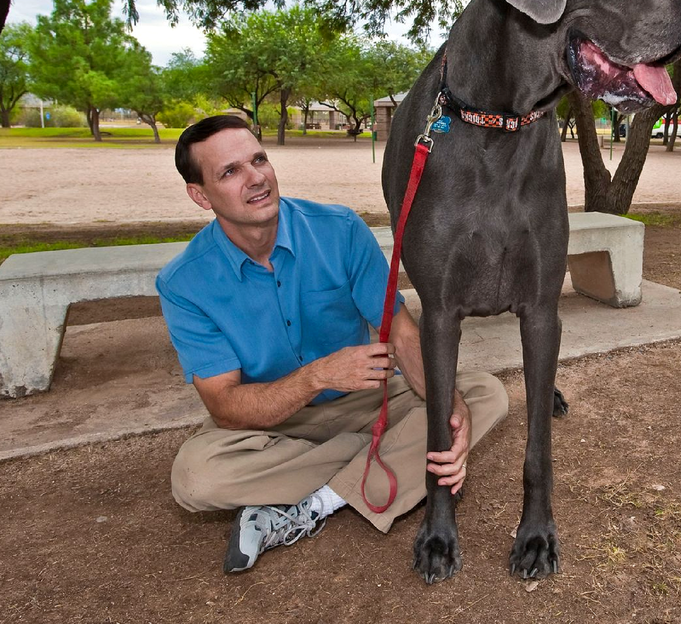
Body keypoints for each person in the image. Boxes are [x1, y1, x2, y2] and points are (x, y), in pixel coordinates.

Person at [156, 115, 509, 573]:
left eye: (258, 159)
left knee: (482, 395)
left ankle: (314, 503)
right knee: (195, 478)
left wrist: (448, 405)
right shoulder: (184, 283)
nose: (256, 177)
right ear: (200, 195)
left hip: (367, 400)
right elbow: (226, 408)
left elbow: (400, 334)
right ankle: (386, 461)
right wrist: (319, 374)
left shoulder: (340, 229)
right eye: (230, 171)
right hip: (271, 426)